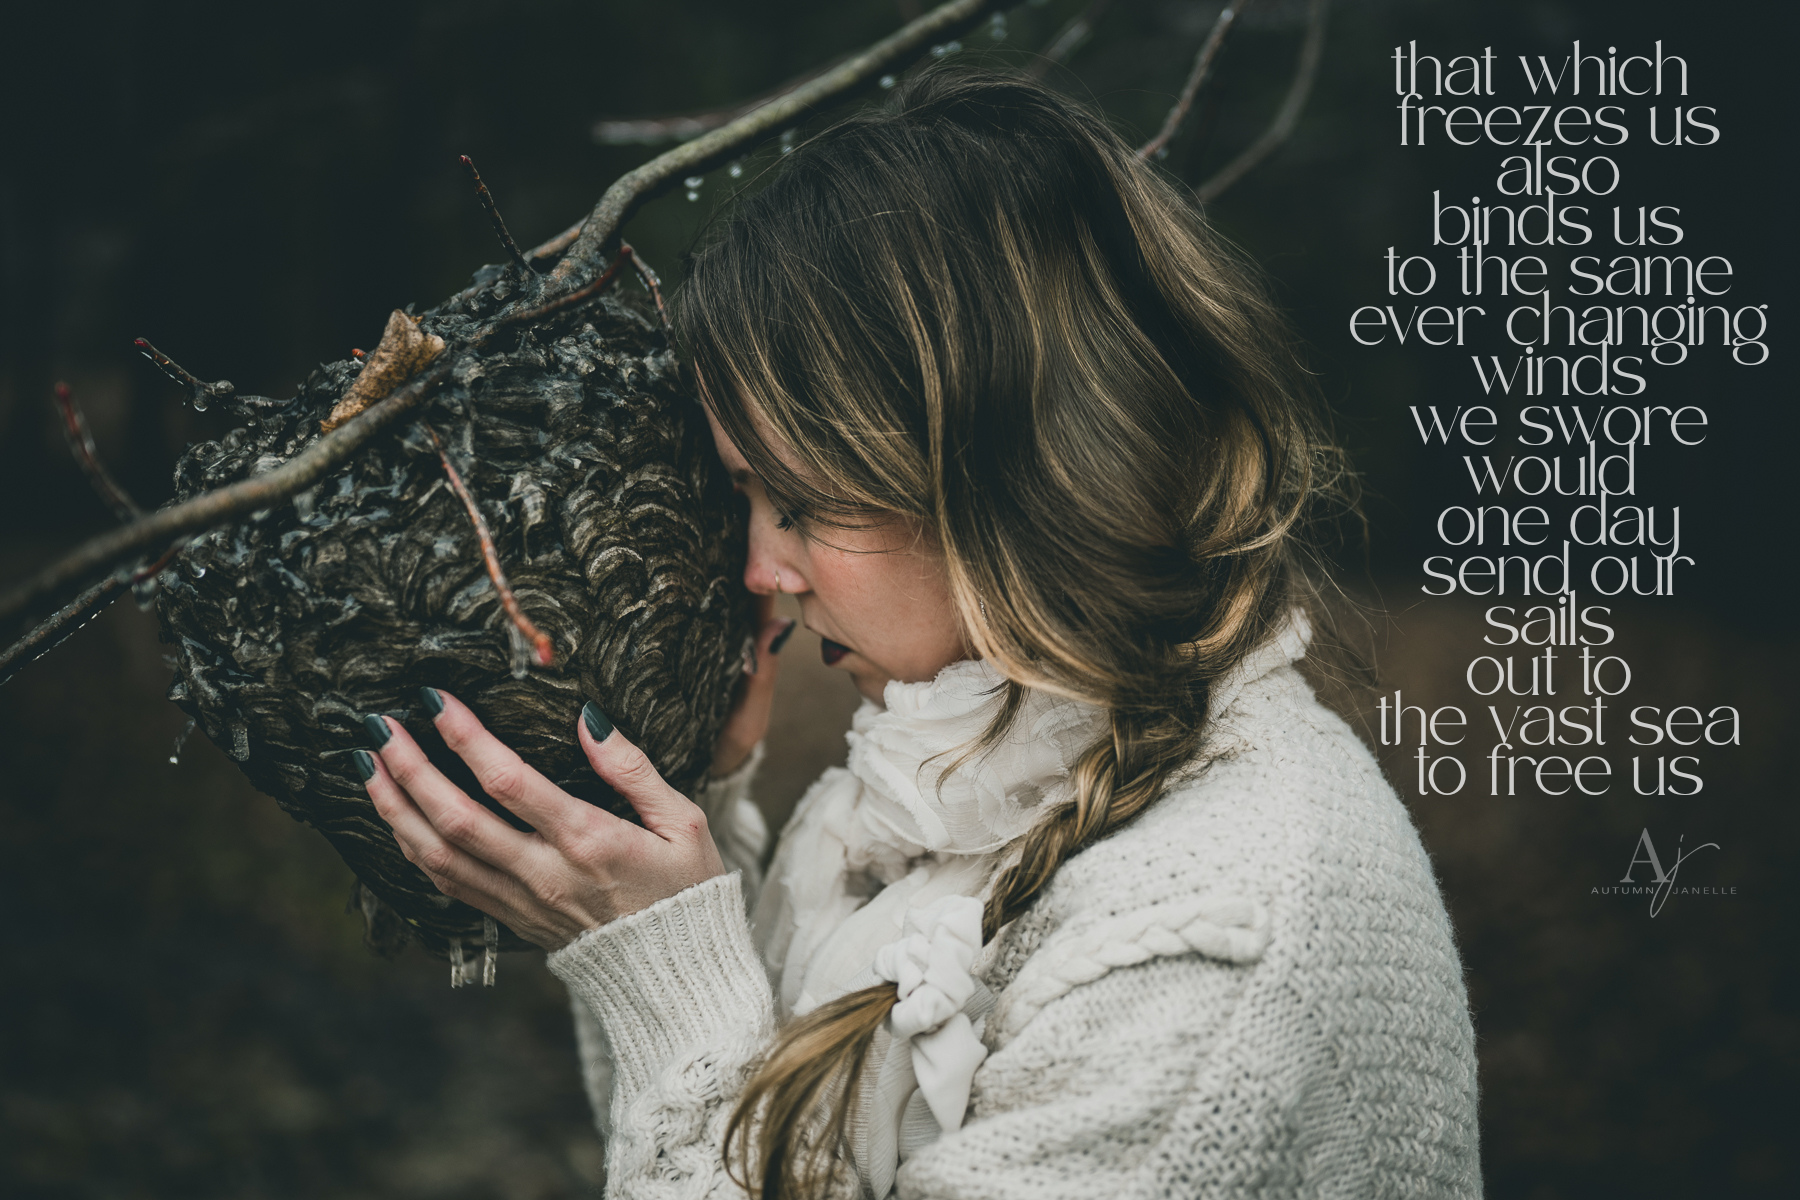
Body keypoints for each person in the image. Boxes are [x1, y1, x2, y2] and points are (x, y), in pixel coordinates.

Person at [352, 67, 1482, 1199]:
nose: (760, 570)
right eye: (741, 497)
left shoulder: (1201, 951)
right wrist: (702, 854)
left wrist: (670, 978)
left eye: (799, 500)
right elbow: (733, 1140)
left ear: (1019, 475)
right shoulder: (941, 785)